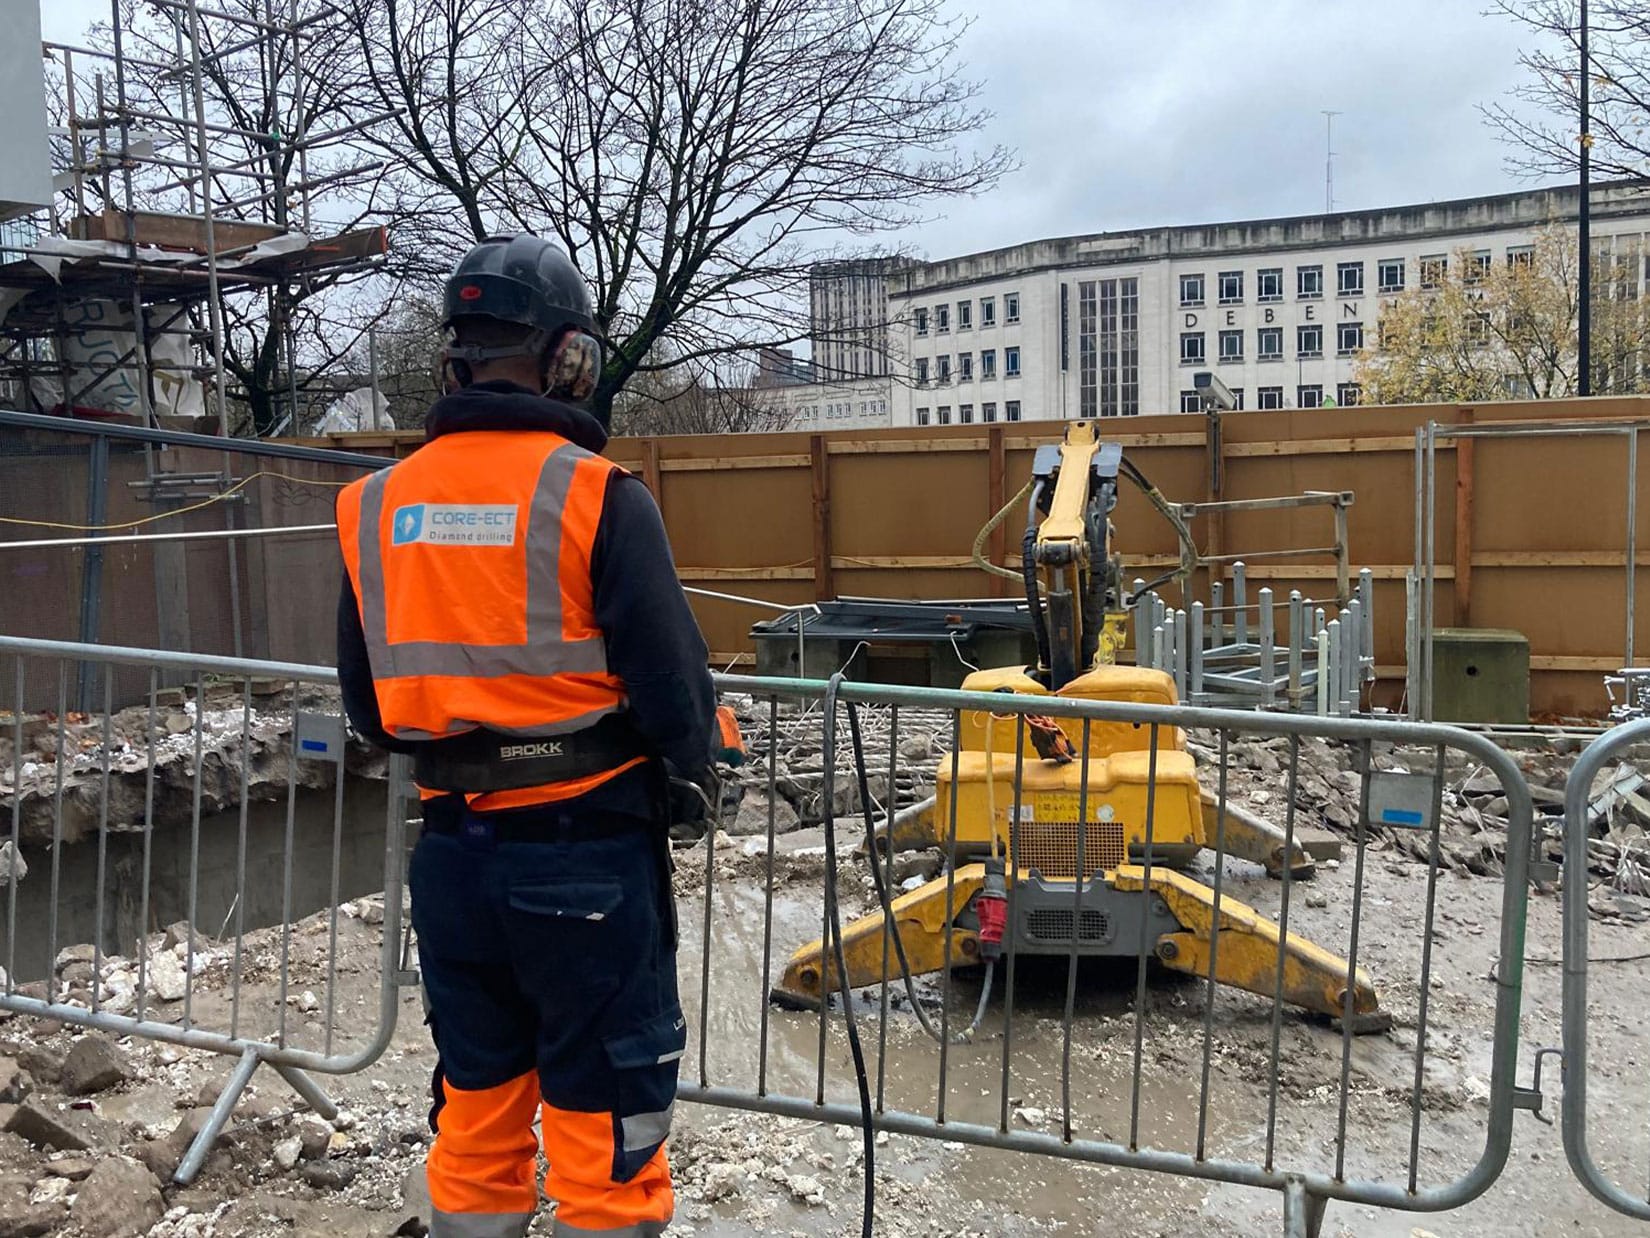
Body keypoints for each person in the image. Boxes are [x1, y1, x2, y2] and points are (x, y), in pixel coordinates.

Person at [335, 234, 715, 1238]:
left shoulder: (372, 504)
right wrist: (692, 771)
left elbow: (370, 707)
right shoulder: (597, 492)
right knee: (604, 1122)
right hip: (586, 847)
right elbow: (673, 689)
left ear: (454, 358)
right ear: (567, 359)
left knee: (480, 1103)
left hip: (453, 857)